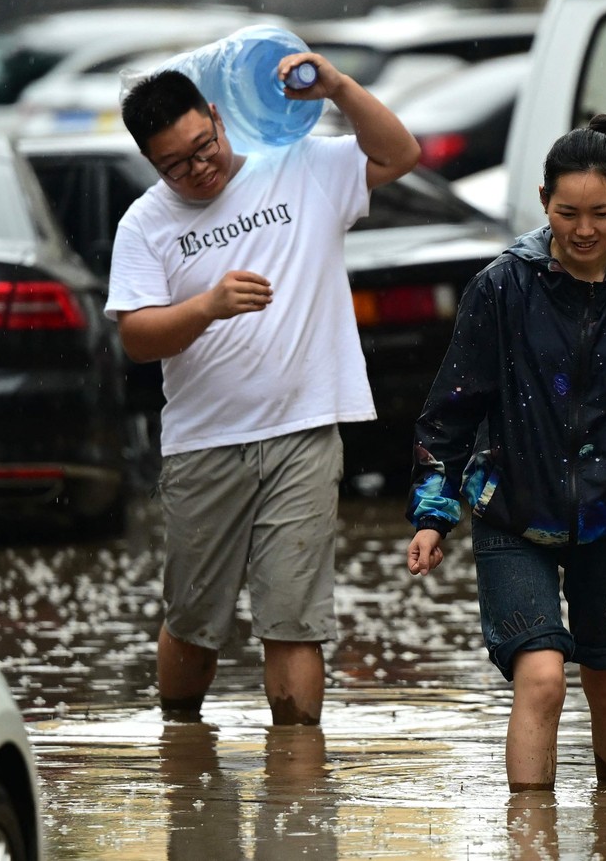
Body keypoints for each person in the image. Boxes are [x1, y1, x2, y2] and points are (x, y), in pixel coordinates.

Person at [405, 114, 606, 791]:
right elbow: (450, 411)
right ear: (544, 199)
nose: (584, 229)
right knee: (542, 675)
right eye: (568, 212)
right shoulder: (500, 289)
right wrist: (432, 514)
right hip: (512, 513)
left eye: (601, 213)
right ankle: (530, 832)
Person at [107, 55, 420, 725]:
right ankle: (181, 746)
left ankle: (299, 786)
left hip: (303, 430)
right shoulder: (144, 224)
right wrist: (207, 306)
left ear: (218, 118)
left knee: (294, 617)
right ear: (151, 165)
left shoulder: (300, 165)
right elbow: (136, 335)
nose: (199, 167)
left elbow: (401, 151)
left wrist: (336, 87)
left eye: (204, 145)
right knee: (193, 619)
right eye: (177, 164)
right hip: (204, 443)